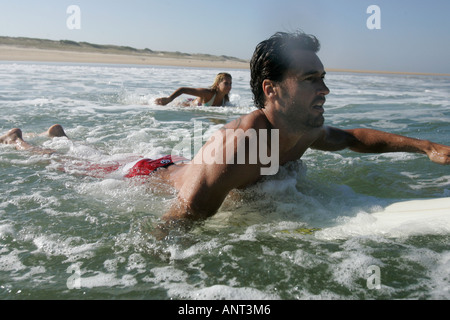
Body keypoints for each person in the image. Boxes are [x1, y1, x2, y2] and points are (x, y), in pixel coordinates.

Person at [2, 31, 450, 239]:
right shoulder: (240, 148)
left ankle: (61, 134)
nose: (325, 89)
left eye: (323, 77)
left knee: (87, 153)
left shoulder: (303, 130)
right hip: (143, 174)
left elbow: (354, 137)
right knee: (70, 164)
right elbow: (175, 223)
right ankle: (21, 142)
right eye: (312, 79)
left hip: (172, 164)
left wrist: (429, 147)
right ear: (273, 90)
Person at [155, 72, 232, 107]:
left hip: (194, 103)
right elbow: (182, 89)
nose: (229, 86)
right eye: (226, 83)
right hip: (185, 104)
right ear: (217, 84)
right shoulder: (207, 93)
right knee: (155, 104)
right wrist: (169, 99)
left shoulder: (225, 99)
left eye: (230, 83)